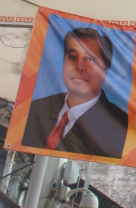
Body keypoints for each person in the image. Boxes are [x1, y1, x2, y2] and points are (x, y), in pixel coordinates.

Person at [22, 26, 127, 159]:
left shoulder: (119, 125)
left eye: (90, 59)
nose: (79, 66)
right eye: (72, 57)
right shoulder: (36, 107)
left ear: (105, 71)